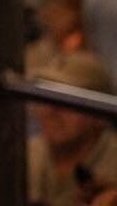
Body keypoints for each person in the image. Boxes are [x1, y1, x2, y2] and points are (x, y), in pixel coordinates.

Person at [28, 51, 117, 206]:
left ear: (99, 115)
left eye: (66, 100)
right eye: (44, 96)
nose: (50, 110)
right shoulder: (22, 155)